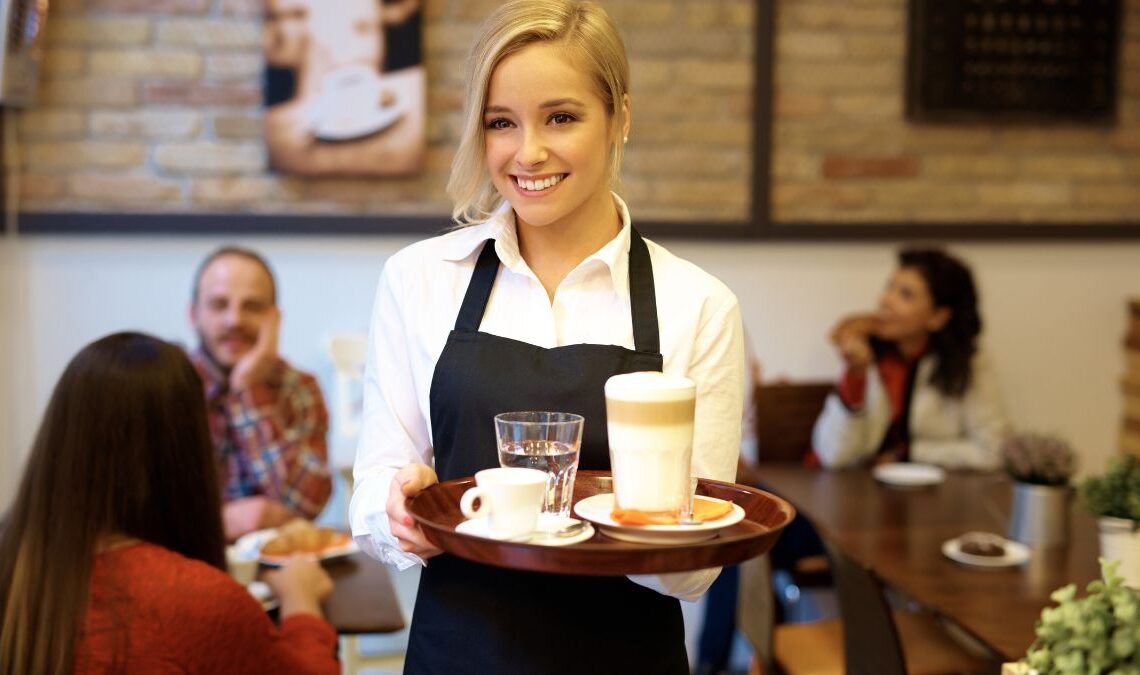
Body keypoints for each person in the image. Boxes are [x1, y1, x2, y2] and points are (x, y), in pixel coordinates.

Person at [348, 2, 745, 672]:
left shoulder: (697, 304)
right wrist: (398, 509)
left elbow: (692, 573)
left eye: (561, 117)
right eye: (501, 122)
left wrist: (644, 525)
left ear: (621, 116)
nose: (527, 152)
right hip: (457, 653)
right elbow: (373, 490)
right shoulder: (419, 280)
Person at [0, 332, 338, 674]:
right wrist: (302, 605)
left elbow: (307, 495)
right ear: (185, 450)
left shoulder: (19, 564)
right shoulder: (201, 602)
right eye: (220, 303)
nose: (234, 320)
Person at [812, 247, 1009, 469]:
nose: (885, 300)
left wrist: (908, 454)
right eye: (889, 287)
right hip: (861, 489)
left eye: (905, 295)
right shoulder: (865, 353)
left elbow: (994, 451)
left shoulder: (968, 361)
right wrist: (855, 376)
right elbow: (833, 455)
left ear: (938, 317)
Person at [189, 246, 332, 541]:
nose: (234, 320)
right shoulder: (165, 387)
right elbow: (137, 517)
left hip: (280, 571)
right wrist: (220, 523)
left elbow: (307, 504)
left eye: (252, 306)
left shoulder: (300, 388)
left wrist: (248, 390)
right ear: (194, 315)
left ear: (274, 319)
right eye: (219, 305)